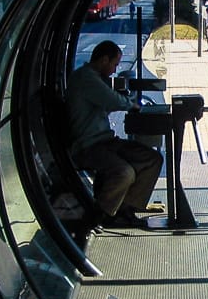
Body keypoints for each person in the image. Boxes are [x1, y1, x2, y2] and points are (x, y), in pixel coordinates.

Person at [66, 40, 163, 229]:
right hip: (88, 146)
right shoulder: (86, 78)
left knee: (152, 159)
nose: (115, 69)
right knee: (124, 172)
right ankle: (102, 215)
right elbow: (112, 100)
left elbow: (105, 105)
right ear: (104, 60)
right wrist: (132, 104)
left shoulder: (95, 78)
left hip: (105, 141)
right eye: (114, 64)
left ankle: (125, 209)